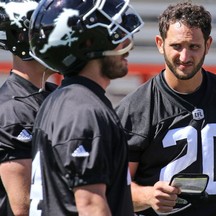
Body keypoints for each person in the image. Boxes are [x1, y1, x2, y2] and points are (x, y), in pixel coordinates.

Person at [116, 2, 216, 216]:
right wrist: (147, 196)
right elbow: (116, 189)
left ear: (208, 45)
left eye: (193, 47)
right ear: (160, 43)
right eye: (177, 46)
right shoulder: (135, 109)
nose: (185, 57)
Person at [28, 0, 143, 215]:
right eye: (115, 33)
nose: (127, 42)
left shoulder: (64, 100)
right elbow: (90, 204)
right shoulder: (84, 110)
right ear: (90, 42)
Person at [0, 1, 57, 215]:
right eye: (51, 32)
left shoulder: (51, 93)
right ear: (24, 39)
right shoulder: (12, 110)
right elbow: (24, 206)